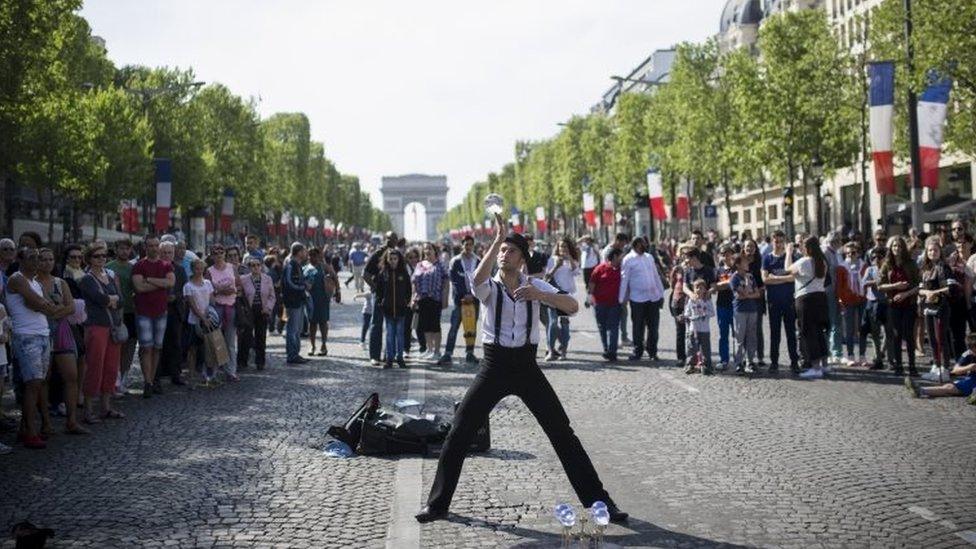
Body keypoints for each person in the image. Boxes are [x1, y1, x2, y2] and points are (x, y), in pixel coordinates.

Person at [415, 215, 628, 525]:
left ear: (523, 259)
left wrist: (540, 295)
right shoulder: (489, 287)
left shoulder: (535, 284)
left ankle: (601, 502)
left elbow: (572, 306)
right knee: (459, 432)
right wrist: (497, 238)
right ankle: (437, 504)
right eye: (502, 250)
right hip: (494, 364)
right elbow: (476, 281)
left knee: (562, 434)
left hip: (527, 366)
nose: (505, 254)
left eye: (511, 251)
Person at [7, 248, 58, 448]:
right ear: (20, 260)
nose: (37, 261)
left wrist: (44, 305)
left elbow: (48, 304)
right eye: (32, 258)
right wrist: (45, 305)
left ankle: (25, 428)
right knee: (33, 384)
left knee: (38, 383)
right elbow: (37, 303)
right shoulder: (17, 279)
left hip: (43, 334)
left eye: (38, 257)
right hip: (27, 336)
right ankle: (30, 431)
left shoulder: (35, 282)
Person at [36, 248, 88, 435]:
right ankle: (46, 422)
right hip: (41, 331)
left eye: (50, 259)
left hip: (62, 332)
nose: (47, 263)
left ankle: (72, 420)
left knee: (71, 376)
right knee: (43, 378)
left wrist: (53, 311)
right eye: (42, 259)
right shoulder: (32, 283)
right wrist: (56, 310)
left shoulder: (61, 282)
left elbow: (71, 307)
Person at [78, 245, 125, 423]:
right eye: (97, 256)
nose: (101, 259)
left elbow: (121, 301)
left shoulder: (110, 276)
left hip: (112, 327)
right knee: (95, 367)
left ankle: (106, 407)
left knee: (112, 367)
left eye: (104, 256)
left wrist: (111, 300)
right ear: (89, 259)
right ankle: (88, 409)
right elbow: (100, 299)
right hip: (96, 326)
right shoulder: (86, 279)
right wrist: (110, 300)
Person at [132, 236, 175, 397]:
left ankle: (151, 379)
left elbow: (170, 283)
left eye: (156, 245)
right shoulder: (138, 265)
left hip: (161, 311)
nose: (154, 248)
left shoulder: (166, 265)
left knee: (157, 347)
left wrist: (149, 279)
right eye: (151, 245)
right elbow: (139, 287)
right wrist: (160, 283)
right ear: (145, 247)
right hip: (143, 311)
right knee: (145, 348)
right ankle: (147, 382)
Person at [785, 237, 830, 379]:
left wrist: (788, 252)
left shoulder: (804, 262)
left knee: (808, 332)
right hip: (820, 298)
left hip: (806, 299)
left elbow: (788, 269)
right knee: (819, 332)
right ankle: (824, 364)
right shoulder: (822, 261)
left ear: (807, 248)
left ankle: (815, 368)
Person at [878, 236, 920, 376]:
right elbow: (880, 285)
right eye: (894, 246)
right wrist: (895, 286)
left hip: (909, 304)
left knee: (909, 335)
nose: (897, 248)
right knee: (896, 335)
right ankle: (899, 366)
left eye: (899, 246)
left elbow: (919, 285)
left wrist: (905, 294)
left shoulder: (911, 264)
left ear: (903, 248)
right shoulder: (887, 264)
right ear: (891, 248)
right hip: (893, 305)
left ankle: (912, 366)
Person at [619, 237, 665, 362]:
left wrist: (661, 293)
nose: (646, 245)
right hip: (637, 299)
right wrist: (621, 299)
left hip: (653, 297)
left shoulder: (649, 257)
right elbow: (625, 280)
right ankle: (638, 351)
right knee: (638, 327)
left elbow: (656, 276)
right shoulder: (628, 259)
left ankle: (652, 351)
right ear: (637, 245)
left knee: (653, 327)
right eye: (643, 244)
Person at [918, 238, 955, 383]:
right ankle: (936, 365)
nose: (933, 252)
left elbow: (950, 288)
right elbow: (920, 289)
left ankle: (945, 369)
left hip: (941, 307)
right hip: (928, 307)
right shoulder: (925, 268)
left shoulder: (944, 267)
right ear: (926, 252)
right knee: (932, 339)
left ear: (940, 252)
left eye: (935, 250)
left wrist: (934, 292)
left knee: (942, 339)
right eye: (930, 250)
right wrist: (925, 293)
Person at [762, 231, 799, 374]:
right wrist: (783, 277)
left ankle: (794, 361)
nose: (778, 244)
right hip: (773, 302)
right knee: (775, 333)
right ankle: (774, 362)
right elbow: (765, 279)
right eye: (775, 241)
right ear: (772, 242)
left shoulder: (790, 257)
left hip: (789, 301)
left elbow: (794, 278)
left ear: (784, 242)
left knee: (791, 332)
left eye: (780, 242)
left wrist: (775, 278)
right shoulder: (767, 259)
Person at [440, 235, 480, 366]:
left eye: (470, 244)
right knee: (454, 327)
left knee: (471, 328)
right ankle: (448, 353)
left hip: (474, 301)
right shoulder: (455, 261)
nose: (468, 247)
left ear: (473, 246)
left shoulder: (478, 261)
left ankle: (470, 353)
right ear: (462, 245)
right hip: (460, 301)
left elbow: (481, 280)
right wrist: (464, 294)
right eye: (466, 244)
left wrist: (472, 295)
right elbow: (454, 281)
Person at [106, 239, 137, 396]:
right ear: (116, 249)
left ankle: (123, 377)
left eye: (127, 248)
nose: (124, 251)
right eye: (121, 248)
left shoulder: (134, 268)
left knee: (130, 346)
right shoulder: (108, 267)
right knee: (115, 346)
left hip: (131, 311)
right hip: (114, 312)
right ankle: (113, 380)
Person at [206, 244, 240, 381]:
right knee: (215, 340)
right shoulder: (209, 271)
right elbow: (207, 290)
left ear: (224, 254)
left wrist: (233, 290)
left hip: (231, 307)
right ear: (212, 255)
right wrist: (220, 291)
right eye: (216, 252)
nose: (219, 254)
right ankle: (212, 372)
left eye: (221, 252)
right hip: (217, 308)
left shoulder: (232, 268)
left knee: (230, 341)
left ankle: (231, 371)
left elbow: (238, 286)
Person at [543, 237, 581, 361]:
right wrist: (556, 266)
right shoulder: (552, 260)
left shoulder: (573, 261)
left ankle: (563, 350)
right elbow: (547, 277)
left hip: (566, 297)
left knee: (565, 325)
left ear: (568, 248)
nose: (562, 249)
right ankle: (550, 351)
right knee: (552, 324)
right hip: (553, 295)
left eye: (564, 246)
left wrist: (569, 259)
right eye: (560, 246)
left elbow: (576, 272)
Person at [363, 232, 398, 365]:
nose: (391, 241)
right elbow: (365, 274)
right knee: (377, 324)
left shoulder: (397, 254)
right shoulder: (377, 254)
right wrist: (375, 287)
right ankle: (374, 356)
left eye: (393, 238)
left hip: (395, 295)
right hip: (380, 295)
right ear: (385, 239)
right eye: (388, 238)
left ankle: (389, 355)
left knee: (392, 325)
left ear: (396, 240)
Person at [906, 333, 976, 399]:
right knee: (950, 387)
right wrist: (969, 367)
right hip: (972, 379)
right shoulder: (967, 354)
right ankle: (920, 390)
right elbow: (955, 370)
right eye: (974, 351)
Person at [412, 243, 450, 361]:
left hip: (435, 299)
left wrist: (445, 298)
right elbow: (413, 281)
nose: (427, 251)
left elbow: (446, 281)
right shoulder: (419, 265)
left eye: (429, 249)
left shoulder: (440, 265)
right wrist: (413, 298)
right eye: (425, 249)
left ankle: (437, 351)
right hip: (422, 299)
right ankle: (429, 349)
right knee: (425, 326)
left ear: (435, 251)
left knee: (435, 325)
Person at [376, 249, 412, 369]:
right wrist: (381, 302)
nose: (393, 261)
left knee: (400, 335)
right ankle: (389, 359)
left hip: (401, 309)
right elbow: (379, 290)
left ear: (399, 259)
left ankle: (400, 357)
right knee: (390, 335)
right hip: (388, 310)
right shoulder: (383, 273)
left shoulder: (403, 273)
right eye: (390, 259)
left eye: (395, 259)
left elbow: (408, 289)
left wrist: (407, 301)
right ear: (387, 259)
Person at [183, 259, 216, 385]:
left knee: (207, 349)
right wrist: (203, 318)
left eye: (201, 268)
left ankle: (206, 374)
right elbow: (192, 305)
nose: (199, 271)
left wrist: (212, 317)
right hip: (194, 321)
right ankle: (191, 375)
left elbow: (212, 302)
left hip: (208, 320)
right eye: (197, 268)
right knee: (192, 349)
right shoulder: (188, 286)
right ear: (192, 269)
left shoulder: (208, 283)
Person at [239, 256, 275, 370]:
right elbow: (240, 295)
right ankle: (242, 361)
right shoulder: (243, 279)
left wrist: (268, 308)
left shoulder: (267, 279)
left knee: (261, 336)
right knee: (246, 336)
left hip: (262, 310)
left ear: (261, 266)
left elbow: (272, 296)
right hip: (249, 310)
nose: (256, 267)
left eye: (258, 265)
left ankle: (260, 361)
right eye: (253, 265)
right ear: (249, 267)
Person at [588, 248, 623, 362]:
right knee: (602, 327)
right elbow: (592, 284)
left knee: (613, 327)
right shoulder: (600, 269)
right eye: (620, 256)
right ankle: (606, 349)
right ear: (614, 257)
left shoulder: (622, 270)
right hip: (599, 304)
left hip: (615, 304)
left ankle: (612, 352)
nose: (622, 258)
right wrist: (589, 297)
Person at [837, 242, 868, 367]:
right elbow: (839, 287)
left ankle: (862, 355)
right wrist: (841, 300)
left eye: (853, 253)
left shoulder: (864, 266)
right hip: (848, 301)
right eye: (847, 253)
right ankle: (850, 355)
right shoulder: (842, 267)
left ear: (858, 253)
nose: (850, 255)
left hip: (862, 300)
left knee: (863, 328)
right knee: (849, 329)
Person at [730, 252, 761, 374]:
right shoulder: (734, 278)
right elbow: (741, 295)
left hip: (752, 309)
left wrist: (748, 294)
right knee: (740, 337)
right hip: (740, 311)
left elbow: (757, 293)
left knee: (752, 337)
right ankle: (738, 363)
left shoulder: (751, 276)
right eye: (744, 262)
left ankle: (750, 361)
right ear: (738, 265)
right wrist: (748, 289)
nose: (747, 263)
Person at [304, 247, 338, 356]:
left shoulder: (324, 267)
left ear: (319, 256)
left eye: (314, 255)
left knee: (323, 322)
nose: (311, 257)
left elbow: (335, 277)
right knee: (312, 323)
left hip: (323, 298)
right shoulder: (306, 268)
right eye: (310, 255)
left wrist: (338, 292)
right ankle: (312, 345)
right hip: (310, 298)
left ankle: (323, 345)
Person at [859, 248, 887, 370]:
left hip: (886, 302)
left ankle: (882, 352)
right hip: (873, 302)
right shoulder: (870, 269)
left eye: (879, 257)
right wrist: (876, 282)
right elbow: (863, 283)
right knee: (875, 333)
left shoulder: (887, 269)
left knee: (888, 332)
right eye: (873, 258)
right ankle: (878, 359)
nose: (876, 259)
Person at [282, 242, 310, 365]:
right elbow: (288, 283)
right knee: (292, 329)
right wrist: (302, 287)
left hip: (298, 301)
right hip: (292, 301)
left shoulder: (297, 264)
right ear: (298, 252)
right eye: (304, 251)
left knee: (297, 329)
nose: (306, 253)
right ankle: (292, 355)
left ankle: (295, 354)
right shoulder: (290, 265)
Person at [682, 279, 716, 375]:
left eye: (702, 288)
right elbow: (687, 313)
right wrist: (691, 317)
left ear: (705, 290)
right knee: (691, 347)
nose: (699, 290)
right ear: (693, 289)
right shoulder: (691, 301)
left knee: (705, 349)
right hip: (694, 328)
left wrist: (705, 314)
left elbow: (712, 313)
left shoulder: (707, 301)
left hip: (704, 329)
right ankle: (690, 365)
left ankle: (707, 366)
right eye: (697, 288)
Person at [714, 245, 736, 371]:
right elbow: (714, 285)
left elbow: (732, 283)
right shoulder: (718, 270)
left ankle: (739, 360)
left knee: (737, 335)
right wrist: (724, 285)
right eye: (723, 254)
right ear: (720, 256)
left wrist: (720, 285)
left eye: (728, 254)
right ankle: (724, 360)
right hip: (721, 305)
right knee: (723, 334)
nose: (726, 256)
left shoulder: (736, 269)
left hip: (735, 305)